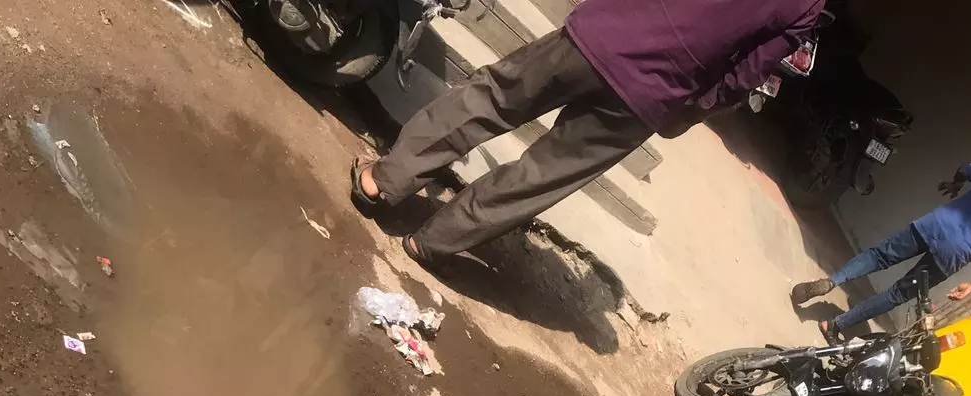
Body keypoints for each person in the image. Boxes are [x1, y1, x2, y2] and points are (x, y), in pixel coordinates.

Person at [351, 0, 826, 264]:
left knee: (491, 100)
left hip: (606, 33)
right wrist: (690, 111)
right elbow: (745, 76)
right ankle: (431, 243)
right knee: (540, 175)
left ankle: (382, 180)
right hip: (654, 94)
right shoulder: (807, 6)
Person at [790, 158, 971, 341]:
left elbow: (966, 169)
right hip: (952, 256)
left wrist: (956, 185)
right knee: (897, 294)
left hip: (934, 225)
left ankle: (833, 280)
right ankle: (835, 325)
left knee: (879, 256)